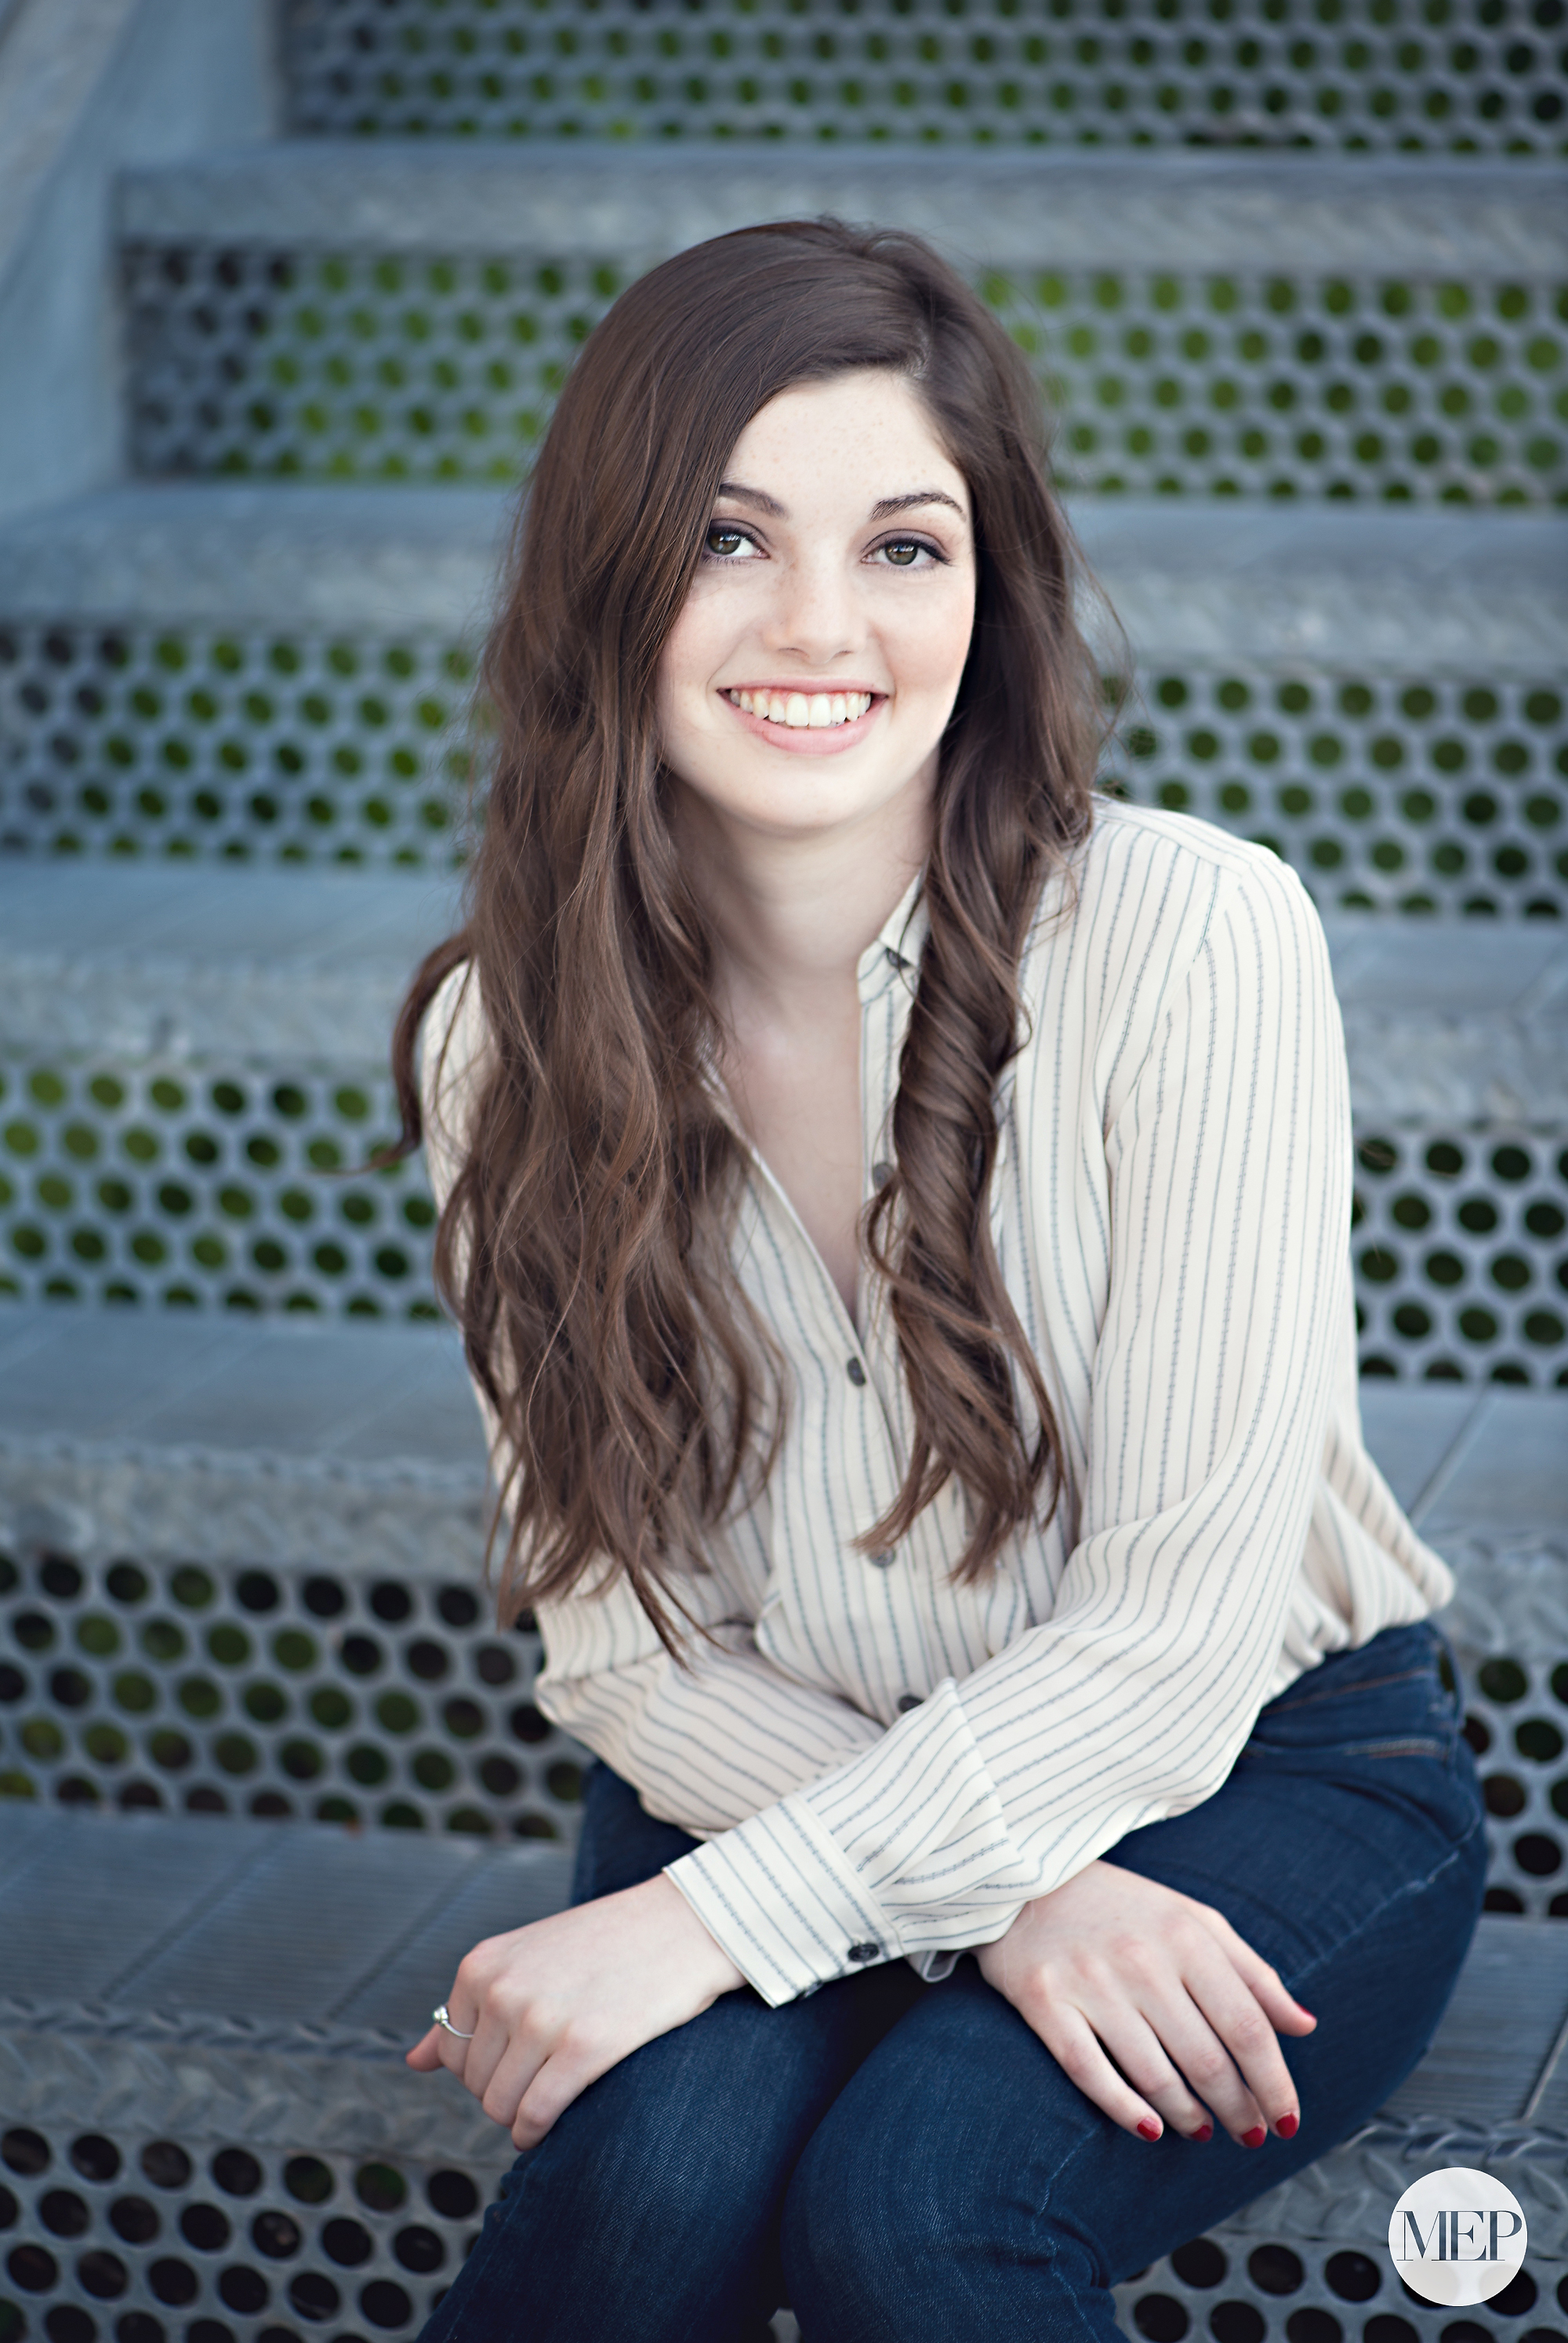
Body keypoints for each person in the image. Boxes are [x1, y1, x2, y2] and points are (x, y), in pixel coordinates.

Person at [389, 220, 1485, 2343]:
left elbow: (1172, 1642)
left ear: (987, 603)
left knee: (917, 2206)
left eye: (904, 546)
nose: (823, 623)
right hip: (762, 1737)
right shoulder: (498, 1042)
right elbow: (627, 1643)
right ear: (610, 575)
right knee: (655, 2182)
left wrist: (720, 1919)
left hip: (1258, 1764)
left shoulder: (1194, 937)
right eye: (731, 536)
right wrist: (1022, 1898)